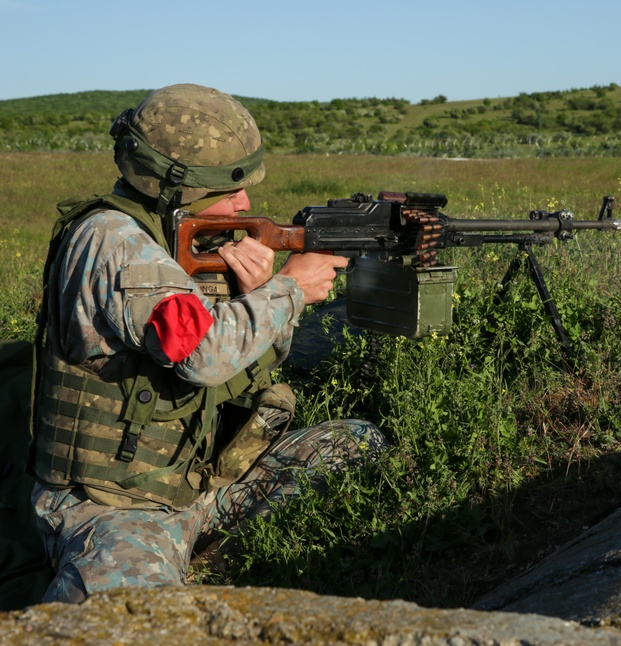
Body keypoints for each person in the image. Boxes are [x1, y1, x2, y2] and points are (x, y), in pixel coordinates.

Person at [28, 83, 385, 603]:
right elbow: (202, 354)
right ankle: (151, 560)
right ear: (178, 189)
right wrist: (288, 290)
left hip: (195, 482)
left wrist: (259, 295)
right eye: (229, 190)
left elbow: (247, 363)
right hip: (115, 503)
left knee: (353, 444)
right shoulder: (117, 243)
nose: (245, 203)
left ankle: (194, 557)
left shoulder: (179, 241)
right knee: (124, 617)